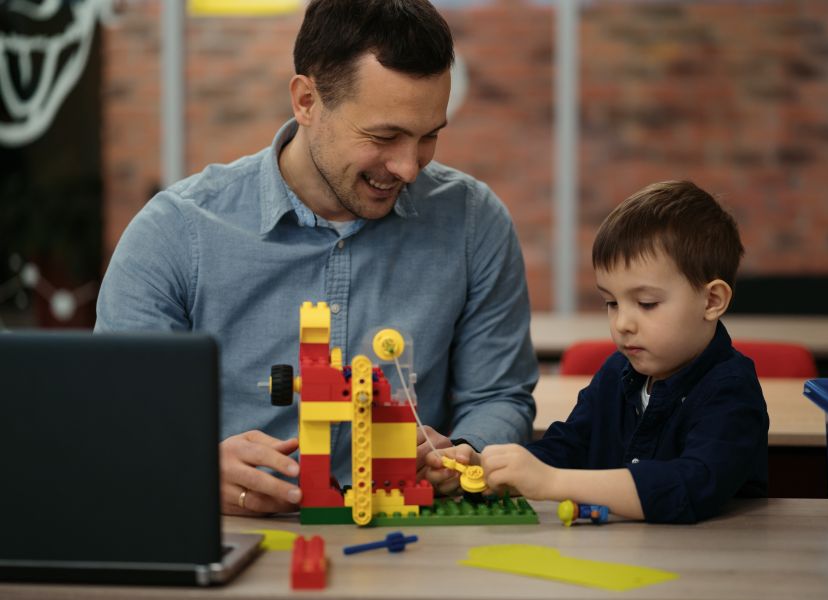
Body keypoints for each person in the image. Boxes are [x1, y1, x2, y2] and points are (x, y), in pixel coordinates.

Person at [95, 0, 538, 516]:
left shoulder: (473, 222)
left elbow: (500, 397)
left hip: (412, 547)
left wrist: (469, 452)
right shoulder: (175, 232)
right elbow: (114, 419)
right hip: (230, 537)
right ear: (306, 100)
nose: (409, 168)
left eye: (429, 137)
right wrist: (188, 466)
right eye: (384, 136)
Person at [429, 181, 769, 523]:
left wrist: (552, 482)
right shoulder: (617, 371)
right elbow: (569, 447)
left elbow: (686, 488)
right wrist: (485, 466)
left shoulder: (730, 390)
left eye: (647, 304)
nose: (622, 323)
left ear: (712, 301)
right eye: (611, 302)